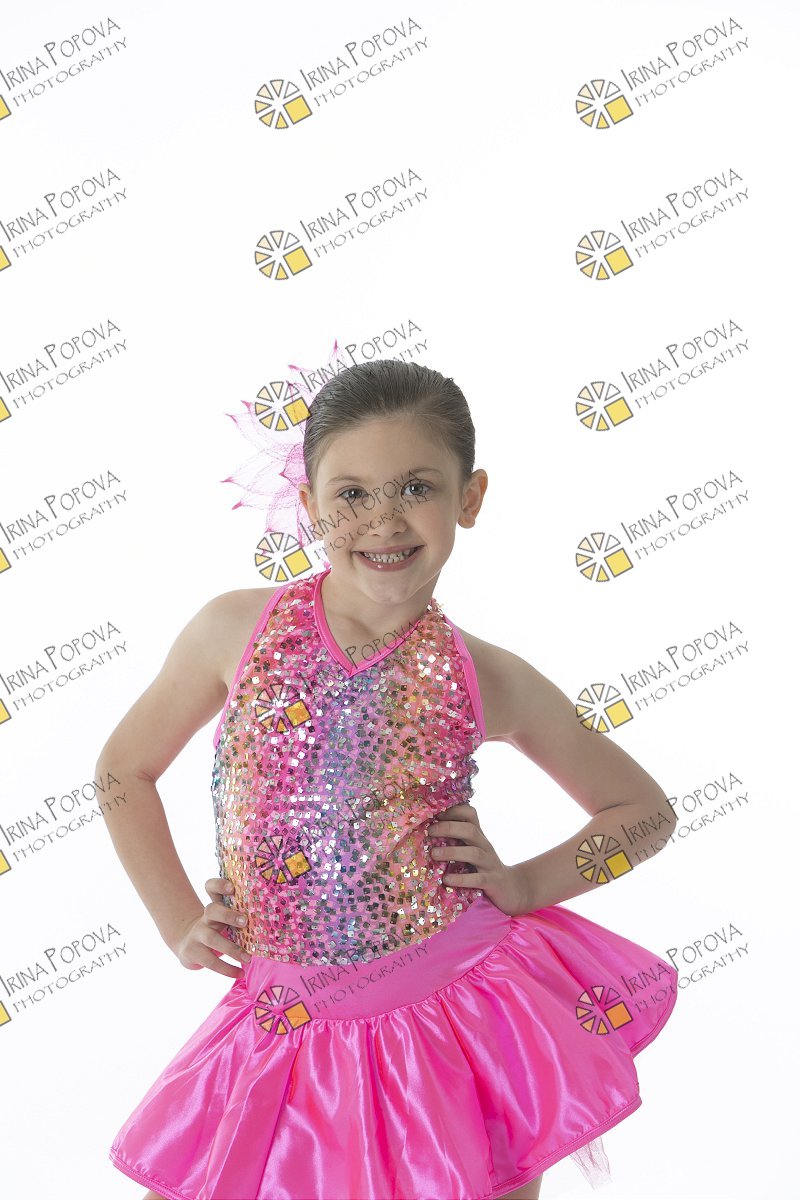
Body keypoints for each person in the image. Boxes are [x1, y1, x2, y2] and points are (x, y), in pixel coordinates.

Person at [101, 359, 679, 1200]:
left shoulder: (489, 675)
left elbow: (643, 813)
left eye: (416, 487)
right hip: (287, 1013)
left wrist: (524, 885)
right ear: (310, 506)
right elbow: (124, 770)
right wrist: (177, 919)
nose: (382, 520)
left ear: (469, 498)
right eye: (352, 494)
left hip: (459, 1013)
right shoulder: (233, 630)